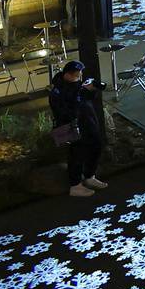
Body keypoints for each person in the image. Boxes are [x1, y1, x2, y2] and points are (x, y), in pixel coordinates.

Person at [48, 59, 106, 198]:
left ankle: (89, 176)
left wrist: (92, 90)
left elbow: (89, 100)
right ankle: (75, 185)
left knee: (96, 147)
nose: (79, 77)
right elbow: (66, 111)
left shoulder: (78, 84)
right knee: (77, 155)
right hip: (74, 127)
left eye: (79, 75)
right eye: (76, 75)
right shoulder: (58, 91)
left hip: (89, 123)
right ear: (67, 74)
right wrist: (79, 95)